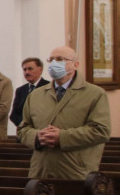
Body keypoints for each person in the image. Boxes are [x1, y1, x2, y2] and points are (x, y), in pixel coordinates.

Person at [17, 46, 110, 179]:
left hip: (75, 171)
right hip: (41, 170)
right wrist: (37, 136)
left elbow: (101, 131)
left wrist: (62, 137)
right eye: (51, 60)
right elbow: (23, 129)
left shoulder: (95, 94)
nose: (54, 63)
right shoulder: (36, 95)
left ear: (75, 64)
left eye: (60, 59)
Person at [10, 57, 49, 128]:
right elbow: (14, 115)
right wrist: (24, 126)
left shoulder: (49, 87)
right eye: (24, 70)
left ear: (40, 70)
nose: (27, 72)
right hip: (24, 132)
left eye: (30, 69)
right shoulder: (20, 90)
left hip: (43, 131)